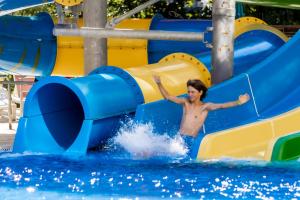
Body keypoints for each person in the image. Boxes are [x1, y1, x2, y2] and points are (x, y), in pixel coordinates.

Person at [153, 75, 250, 149]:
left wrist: (238, 102)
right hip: (179, 139)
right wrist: (159, 83)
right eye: (189, 92)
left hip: (190, 141)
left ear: (200, 93)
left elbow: (222, 106)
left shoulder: (205, 107)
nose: (190, 94)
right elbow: (168, 97)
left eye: (193, 92)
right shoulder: (185, 102)